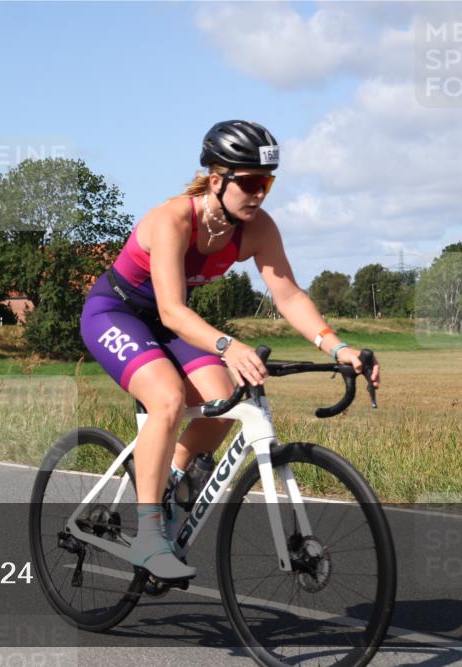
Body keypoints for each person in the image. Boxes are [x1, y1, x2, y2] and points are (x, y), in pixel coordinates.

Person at [79, 120, 381, 582]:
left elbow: (288, 295)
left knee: (224, 399)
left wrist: (337, 346)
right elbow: (172, 310)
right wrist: (228, 345)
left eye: (267, 184)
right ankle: (148, 535)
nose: (260, 194)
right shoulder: (173, 220)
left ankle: (168, 479)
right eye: (251, 183)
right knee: (167, 397)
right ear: (217, 179)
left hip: (168, 322)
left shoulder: (257, 229)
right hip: (115, 313)